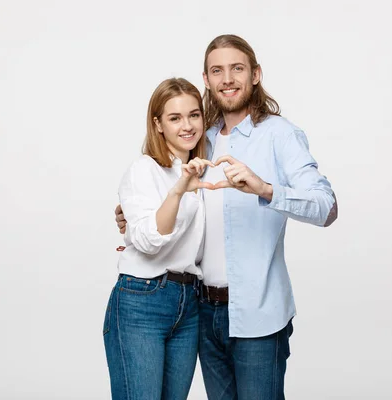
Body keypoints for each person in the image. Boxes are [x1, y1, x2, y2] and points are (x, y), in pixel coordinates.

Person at [115, 34, 338, 399]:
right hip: (201, 313)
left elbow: (326, 207)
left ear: (255, 74)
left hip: (258, 314)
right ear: (206, 79)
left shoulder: (280, 135)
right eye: (217, 70)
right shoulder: (201, 139)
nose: (227, 78)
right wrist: (132, 214)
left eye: (237, 68)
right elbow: (172, 197)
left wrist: (265, 188)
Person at [103, 77, 215, 400]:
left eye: (194, 115)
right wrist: (178, 191)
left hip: (189, 303)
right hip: (143, 300)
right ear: (158, 124)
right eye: (175, 118)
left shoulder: (202, 170)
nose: (187, 126)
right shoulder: (144, 170)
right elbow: (150, 241)